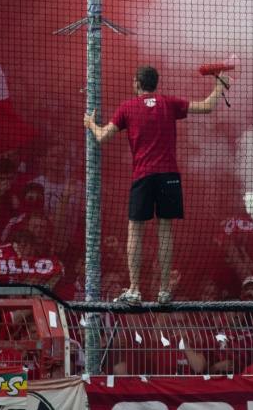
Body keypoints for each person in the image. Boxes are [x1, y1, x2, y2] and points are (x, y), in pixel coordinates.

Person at [84, 65, 225, 305]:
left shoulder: (127, 107)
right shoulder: (169, 102)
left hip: (143, 176)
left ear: (137, 83)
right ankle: (163, 291)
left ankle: (135, 290)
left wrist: (90, 123)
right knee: (164, 232)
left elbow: (102, 136)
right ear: (155, 83)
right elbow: (208, 106)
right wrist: (220, 84)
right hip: (169, 175)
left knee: (135, 233)